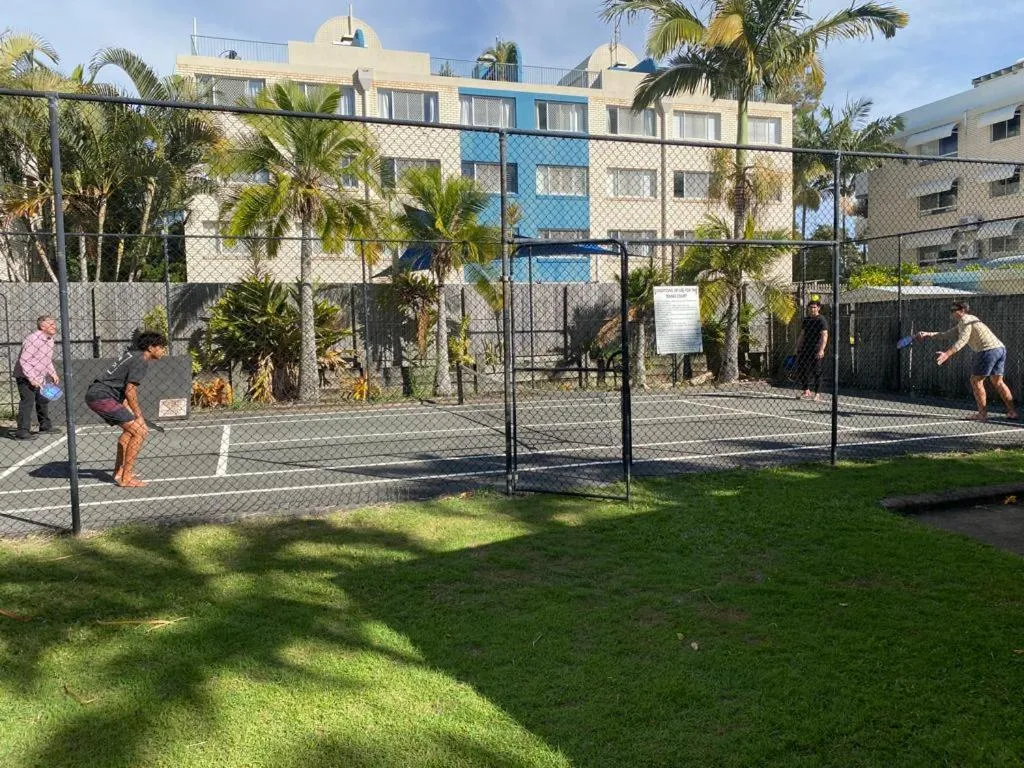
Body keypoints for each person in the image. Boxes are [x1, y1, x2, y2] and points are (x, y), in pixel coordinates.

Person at [85, 331, 168, 488]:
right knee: (140, 431)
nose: (163, 350)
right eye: (161, 347)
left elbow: (120, 387)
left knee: (130, 431)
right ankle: (126, 478)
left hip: (102, 395)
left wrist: (132, 413)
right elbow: (130, 390)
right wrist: (139, 416)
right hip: (102, 397)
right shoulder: (141, 360)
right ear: (151, 348)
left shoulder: (133, 355)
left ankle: (119, 472)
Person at [915, 302, 1018, 422]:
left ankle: (982, 414)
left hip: (988, 350)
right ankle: (1012, 412)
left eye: (955, 310)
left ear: (963, 310)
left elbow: (963, 340)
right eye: (951, 310)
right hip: (1000, 349)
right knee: (998, 382)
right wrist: (928, 334)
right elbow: (946, 334)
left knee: (976, 380)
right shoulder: (967, 321)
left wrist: (947, 354)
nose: (952, 312)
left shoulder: (966, 320)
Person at [13, 315, 60, 440]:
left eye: (54, 324)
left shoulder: (50, 340)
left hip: (40, 377)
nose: (54, 326)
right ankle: (22, 431)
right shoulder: (33, 339)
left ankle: (45, 426)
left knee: (43, 399)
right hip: (25, 376)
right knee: (27, 402)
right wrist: (32, 378)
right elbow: (24, 360)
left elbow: (46, 359)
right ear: (42, 326)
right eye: (51, 324)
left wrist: (53, 373)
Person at [793, 300, 829, 401]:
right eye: (810, 307)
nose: (812, 309)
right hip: (805, 349)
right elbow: (802, 334)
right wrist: (797, 347)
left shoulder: (821, 320)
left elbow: (824, 335)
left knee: (817, 371)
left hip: (816, 349)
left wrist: (821, 350)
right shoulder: (806, 320)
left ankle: (817, 394)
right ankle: (806, 390)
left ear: (818, 308)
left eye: (814, 307)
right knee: (802, 369)